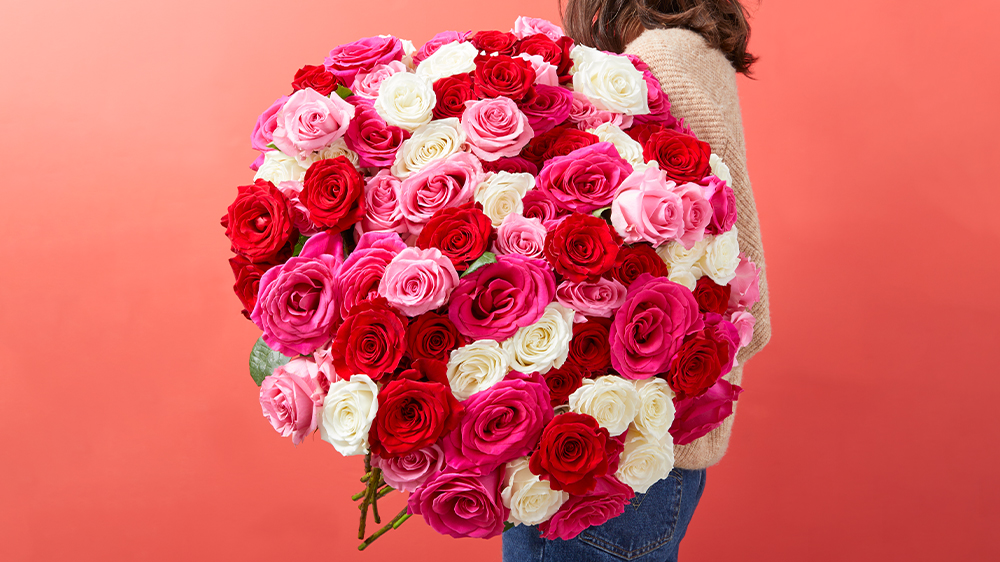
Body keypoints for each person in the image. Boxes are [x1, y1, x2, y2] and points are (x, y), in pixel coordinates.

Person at [502, 1, 772, 560]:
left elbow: (620, 251)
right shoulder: (696, 55)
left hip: (605, 452)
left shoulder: (656, 63)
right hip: (652, 447)